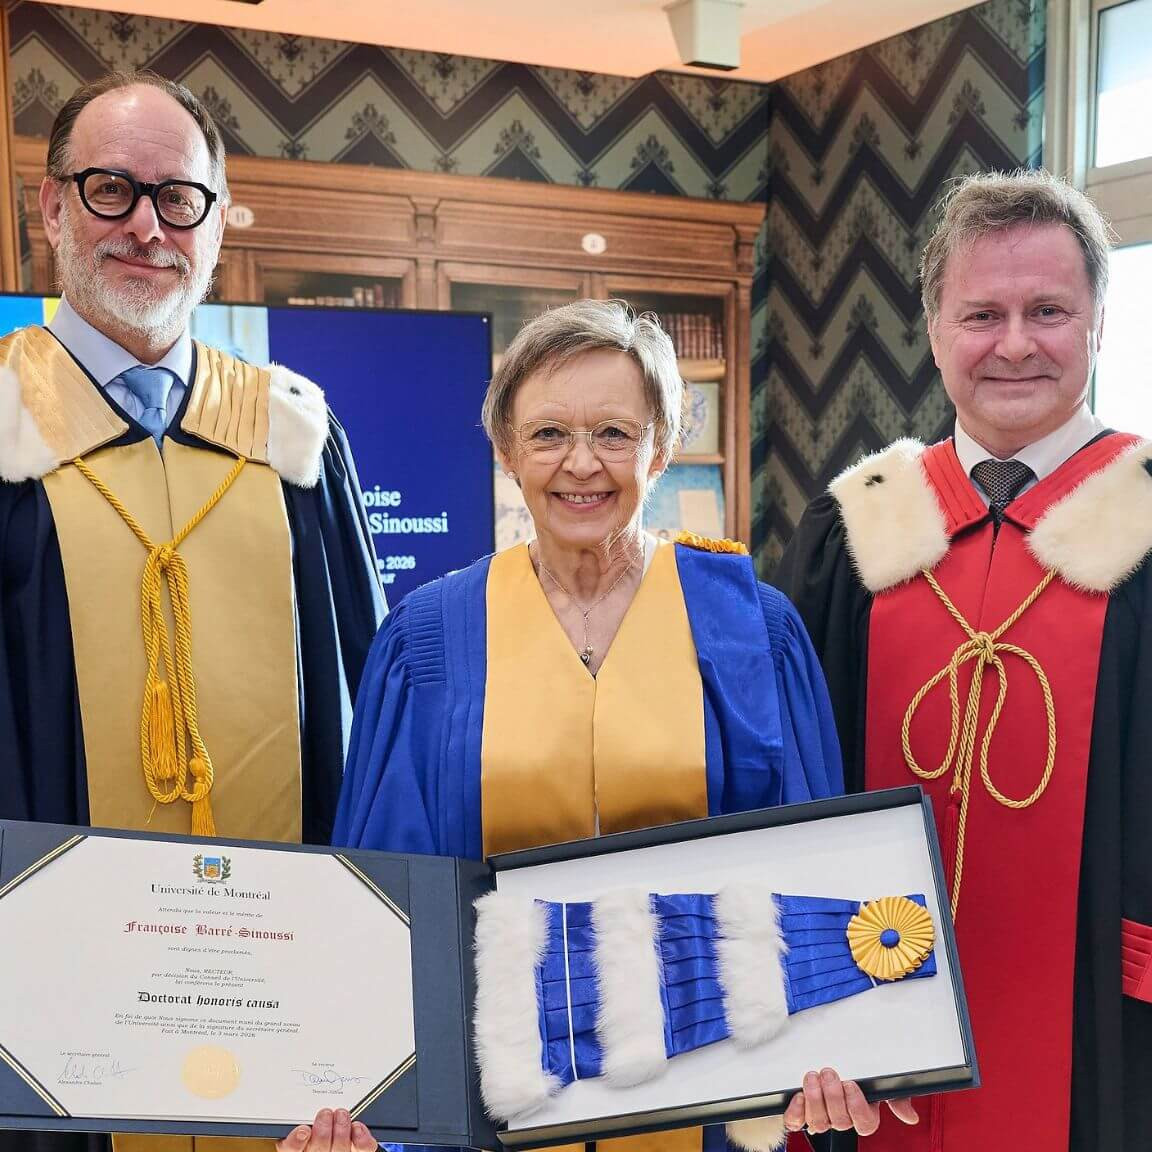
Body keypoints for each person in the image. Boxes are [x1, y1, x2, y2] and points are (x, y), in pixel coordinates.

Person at [336, 298, 844, 1152]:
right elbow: (389, 893)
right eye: (547, 436)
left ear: (663, 447)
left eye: (615, 432)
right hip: (494, 1101)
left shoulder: (750, 630)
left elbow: (808, 868)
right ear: (505, 453)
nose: (583, 465)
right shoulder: (429, 641)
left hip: (707, 1089)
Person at [0, 72, 384, 1152]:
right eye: (111, 189)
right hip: (45, 1023)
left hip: (280, 1018)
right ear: (51, 209)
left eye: (179, 199)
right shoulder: (0, 434)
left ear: (216, 223)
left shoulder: (294, 440)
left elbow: (371, 714)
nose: (145, 229)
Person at [774, 169, 1152, 1151]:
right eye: (982, 313)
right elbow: (786, 795)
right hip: (859, 1038)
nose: (1016, 343)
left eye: (1050, 310)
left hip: (1105, 1026)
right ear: (935, 328)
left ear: (1099, 323)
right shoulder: (856, 524)